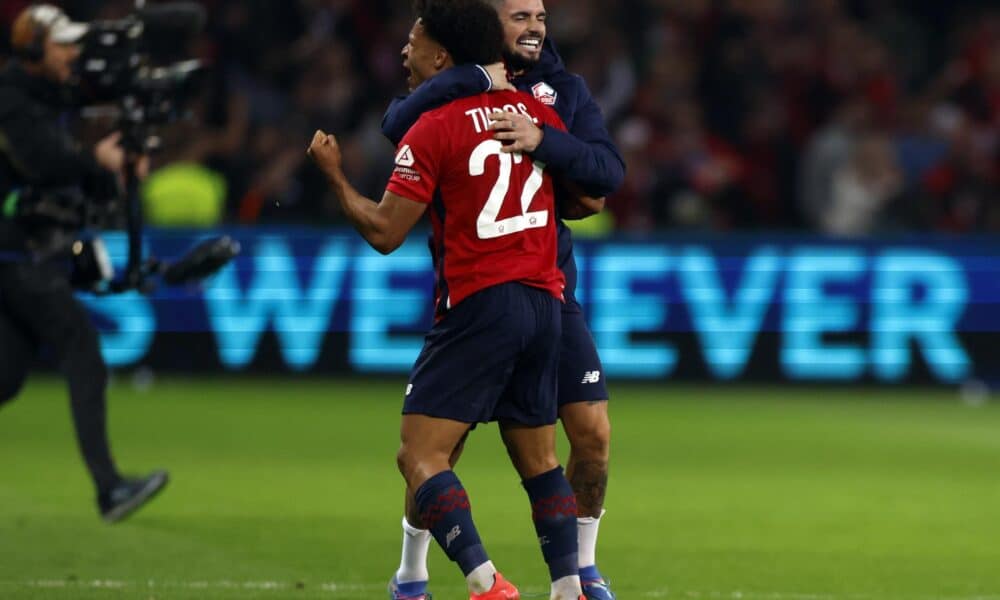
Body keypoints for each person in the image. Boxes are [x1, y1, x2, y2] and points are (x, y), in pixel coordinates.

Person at [308, 2, 601, 598]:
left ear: (442, 58)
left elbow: (387, 233)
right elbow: (591, 199)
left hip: (479, 302)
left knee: (420, 457)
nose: (402, 54)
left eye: (412, 44)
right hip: (547, 302)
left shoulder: (434, 126)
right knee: (541, 462)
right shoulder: (535, 113)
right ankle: (569, 588)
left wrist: (336, 178)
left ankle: (486, 582)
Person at [381, 1, 624, 598]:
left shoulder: (560, 90)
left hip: (549, 285)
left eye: (540, 15)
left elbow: (605, 174)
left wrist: (543, 139)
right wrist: (469, 78)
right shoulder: (455, 86)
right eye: (519, 16)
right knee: (444, 445)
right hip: (479, 283)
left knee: (590, 433)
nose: (536, 26)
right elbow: (397, 125)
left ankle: (581, 571)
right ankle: (413, 567)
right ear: (490, 27)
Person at [0, 4, 167, 523]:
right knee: (81, 345)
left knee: (5, 375)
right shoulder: (10, 101)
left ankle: (110, 489)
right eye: (63, 44)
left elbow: (87, 97)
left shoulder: (42, 95)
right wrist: (101, 161)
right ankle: (110, 488)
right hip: (12, 252)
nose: (73, 53)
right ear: (32, 51)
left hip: (20, 251)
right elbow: (45, 162)